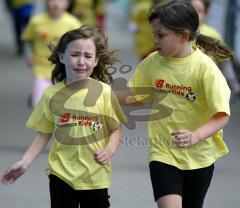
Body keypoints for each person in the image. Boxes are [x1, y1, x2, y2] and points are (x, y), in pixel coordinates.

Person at [116, 1, 232, 208]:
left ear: (184, 36)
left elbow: (222, 115)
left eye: (161, 35)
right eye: (154, 34)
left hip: (200, 156)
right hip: (163, 152)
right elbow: (137, 96)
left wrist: (195, 135)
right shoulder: (153, 62)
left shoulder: (205, 69)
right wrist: (104, 94)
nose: (155, 40)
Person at [1, 25, 127, 208]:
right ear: (62, 56)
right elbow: (44, 134)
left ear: (95, 61)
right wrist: (24, 162)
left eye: (88, 56)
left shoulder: (104, 92)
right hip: (61, 175)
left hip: (95, 177)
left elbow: (115, 130)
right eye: (75, 54)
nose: (81, 61)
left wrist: (109, 150)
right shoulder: (51, 95)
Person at [21, 0, 81, 108]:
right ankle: (37, 96)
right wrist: (29, 55)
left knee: (60, 107)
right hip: (41, 70)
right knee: (39, 106)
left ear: (68, 3)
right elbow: (27, 39)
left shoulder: (73, 23)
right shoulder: (36, 21)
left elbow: (80, 46)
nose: (56, 3)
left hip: (63, 73)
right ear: (46, 2)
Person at [191, 0, 240, 101]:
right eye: (191, 9)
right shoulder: (177, 32)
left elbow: (225, 62)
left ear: (206, 13)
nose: (195, 13)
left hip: (204, 86)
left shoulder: (212, 34)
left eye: (199, 10)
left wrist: (233, 83)